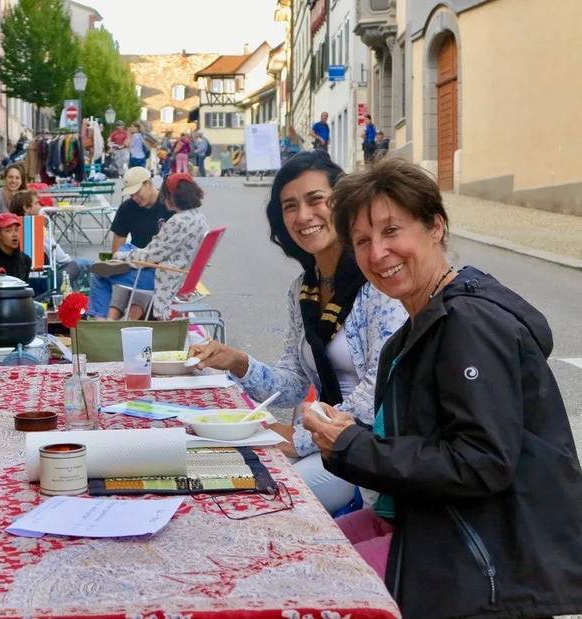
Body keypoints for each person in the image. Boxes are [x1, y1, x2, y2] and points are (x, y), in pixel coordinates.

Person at [302, 157, 582, 619]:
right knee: (295, 550)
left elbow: (482, 462)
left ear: (436, 225)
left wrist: (353, 447)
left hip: (484, 562)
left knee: (306, 589)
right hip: (432, 527)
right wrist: (351, 436)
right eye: (363, 241)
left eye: (392, 231)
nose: (377, 255)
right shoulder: (417, 327)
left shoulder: (467, 324)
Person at [187, 151, 407, 514]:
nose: (303, 216)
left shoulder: (375, 280)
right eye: (290, 206)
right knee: (212, 472)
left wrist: (300, 437)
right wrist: (238, 362)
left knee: (262, 499)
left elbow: (380, 390)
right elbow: (292, 385)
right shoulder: (302, 289)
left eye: (315, 199)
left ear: (342, 204)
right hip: (321, 442)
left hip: (366, 450)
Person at [100, 173, 209, 320]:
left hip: (166, 277)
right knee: (130, 255)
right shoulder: (199, 218)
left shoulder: (177, 222)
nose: (163, 199)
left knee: (101, 274)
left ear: (173, 196)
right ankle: (121, 321)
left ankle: (102, 322)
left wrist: (120, 256)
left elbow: (150, 256)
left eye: (165, 195)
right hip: (181, 274)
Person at [8, 189, 92, 289]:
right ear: (26, 208)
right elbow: (62, 258)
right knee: (77, 265)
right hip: (41, 284)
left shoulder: (7, 230)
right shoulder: (36, 230)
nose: (40, 206)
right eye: (36, 203)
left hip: (14, 282)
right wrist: (45, 230)